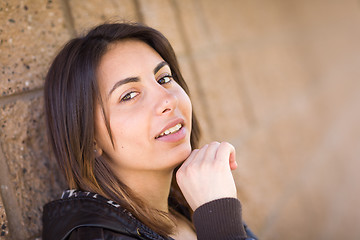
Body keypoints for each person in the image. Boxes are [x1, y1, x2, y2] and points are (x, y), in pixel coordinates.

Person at [42, 22, 258, 240]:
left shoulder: (192, 204)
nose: (168, 99)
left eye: (164, 79)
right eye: (129, 95)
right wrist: (219, 218)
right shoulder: (93, 237)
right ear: (89, 141)